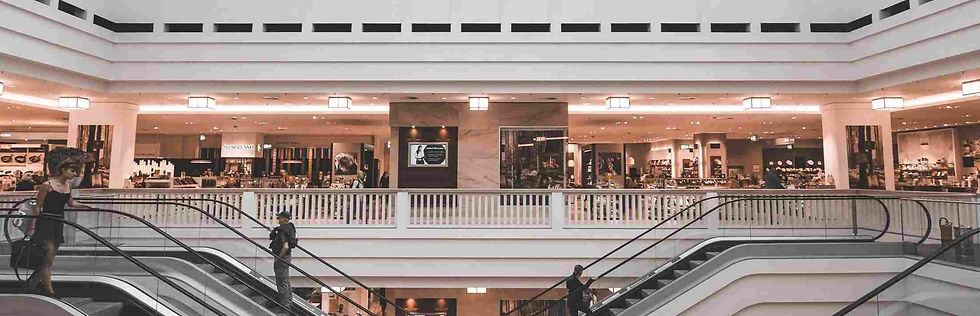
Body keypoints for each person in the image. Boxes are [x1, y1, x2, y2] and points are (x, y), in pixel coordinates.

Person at [26, 148, 90, 296]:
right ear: (63, 169)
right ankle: (49, 291)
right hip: (46, 222)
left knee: (50, 257)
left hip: (58, 223)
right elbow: (37, 206)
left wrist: (88, 206)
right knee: (47, 257)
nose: (74, 175)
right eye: (72, 171)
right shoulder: (47, 185)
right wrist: (33, 227)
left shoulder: (67, 186)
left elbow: (71, 203)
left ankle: (33, 283)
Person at [270, 211, 297, 308]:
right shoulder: (290, 228)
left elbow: (285, 246)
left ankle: (284, 305)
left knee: (281, 282)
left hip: (282, 257)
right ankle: (289, 302)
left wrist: (279, 258)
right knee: (286, 281)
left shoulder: (282, 230)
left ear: (284, 219)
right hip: (288, 257)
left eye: (279, 218)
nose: (278, 219)